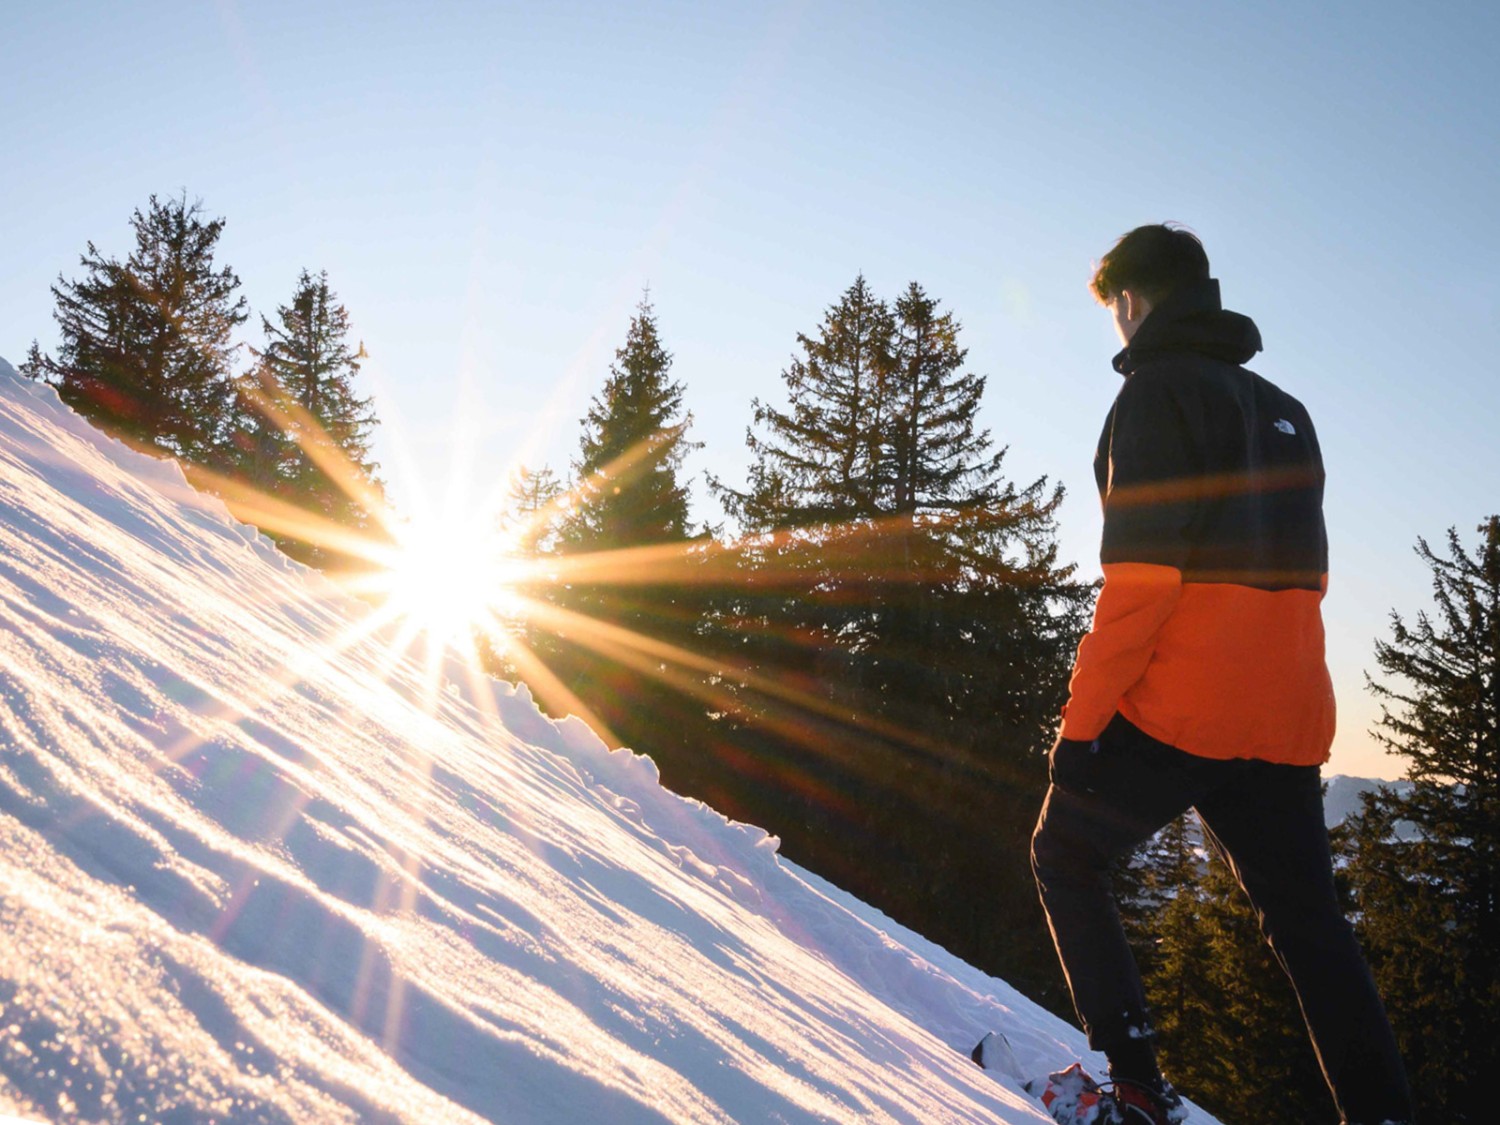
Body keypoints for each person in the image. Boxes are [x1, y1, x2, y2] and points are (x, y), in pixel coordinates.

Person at [1029, 224, 1415, 1125]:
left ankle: (1134, 1088)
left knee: (1065, 851)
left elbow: (1141, 585)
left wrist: (1079, 727)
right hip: (1285, 717)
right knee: (1310, 930)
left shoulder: (1154, 396)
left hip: (1179, 714)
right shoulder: (1285, 408)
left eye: (1113, 310)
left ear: (1131, 299)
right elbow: (1305, 575)